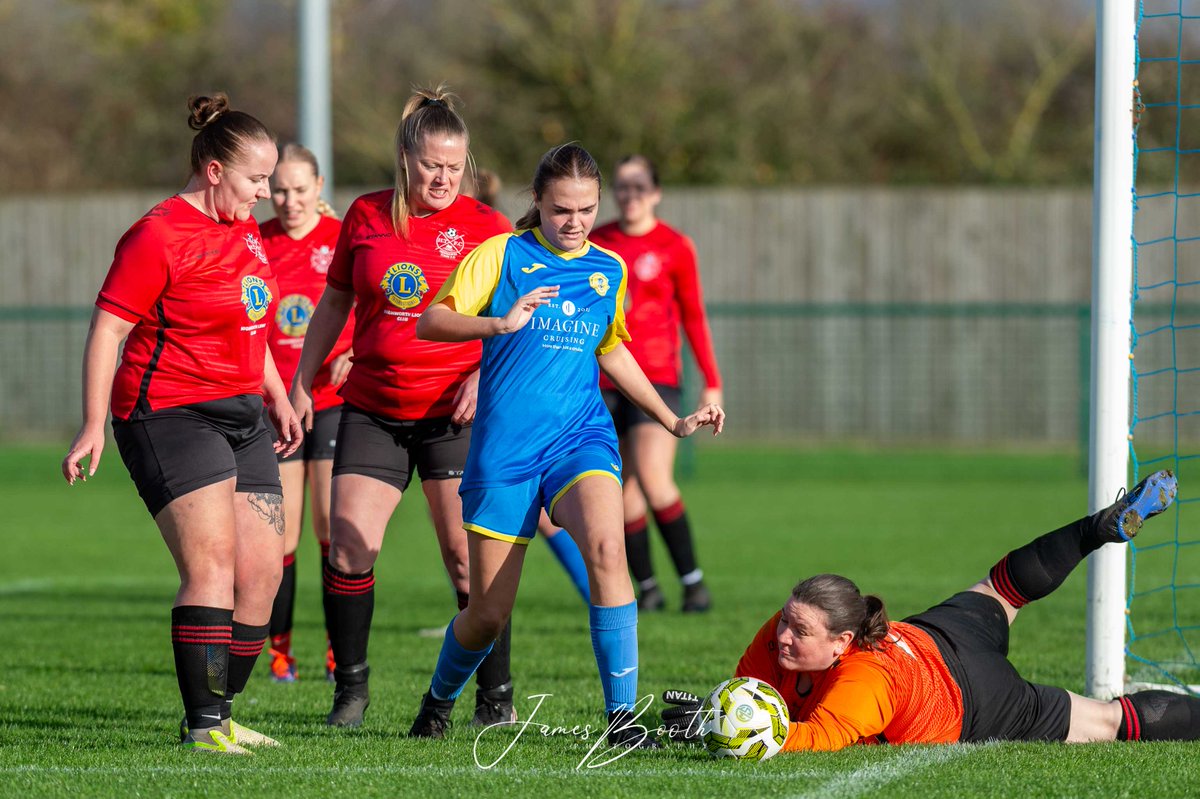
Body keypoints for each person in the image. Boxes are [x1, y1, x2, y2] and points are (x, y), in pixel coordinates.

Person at [405, 142, 725, 747]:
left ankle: (622, 722)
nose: (574, 222)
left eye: (585, 208)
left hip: (581, 439)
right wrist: (498, 323)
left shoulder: (609, 268)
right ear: (537, 203)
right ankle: (438, 701)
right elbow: (431, 321)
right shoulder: (501, 255)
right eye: (560, 210)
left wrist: (669, 419)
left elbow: (612, 347)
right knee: (487, 614)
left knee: (609, 547)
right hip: (505, 453)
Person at [61, 93, 302, 754]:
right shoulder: (157, 234)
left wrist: (276, 393)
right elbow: (109, 327)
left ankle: (220, 710)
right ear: (216, 171)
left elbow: (251, 322)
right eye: (257, 179)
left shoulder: (243, 228)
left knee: (263, 574)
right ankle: (203, 727)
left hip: (244, 415)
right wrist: (89, 423)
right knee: (214, 566)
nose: (267, 191)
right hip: (167, 412)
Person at [659, 470, 1200, 750]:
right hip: (934, 635)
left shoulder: (864, 682)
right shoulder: (779, 635)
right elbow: (751, 692)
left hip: (977, 699)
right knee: (1003, 587)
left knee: (1106, 721)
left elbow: (811, 740)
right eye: (785, 620)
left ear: (842, 643)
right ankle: (1095, 528)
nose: (781, 636)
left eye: (799, 631)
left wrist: (716, 735)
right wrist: (717, 716)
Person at [289, 85, 513, 728]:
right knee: (349, 551)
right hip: (373, 411)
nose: (443, 178)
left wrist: (483, 378)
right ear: (406, 158)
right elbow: (333, 302)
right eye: (430, 164)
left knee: (469, 559)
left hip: (453, 417)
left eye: (454, 166)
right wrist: (305, 380)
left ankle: (493, 699)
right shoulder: (362, 216)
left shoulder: (486, 228)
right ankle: (350, 692)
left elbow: (520, 321)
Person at [590, 155, 723, 614]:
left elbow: (694, 316)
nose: (630, 194)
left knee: (652, 477)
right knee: (620, 487)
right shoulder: (597, 241)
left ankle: (694, 582)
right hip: (604, 380)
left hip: (658, 377)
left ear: (656, 192)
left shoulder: (674, 246)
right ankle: (646, 588)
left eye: (639, 186)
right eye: (622, 186)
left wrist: (713, 382)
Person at [463, 165, 591, 604]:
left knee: (547, 506)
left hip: (492, 396)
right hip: (442, 392)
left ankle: (600, 591)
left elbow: (518, 332)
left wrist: (477, 376)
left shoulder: (497, 240)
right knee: (478, 529)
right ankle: (477, 615)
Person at [260, 143, 353, 683]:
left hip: (335, 404)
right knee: (282, 536)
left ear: (319, 187)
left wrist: (354, 351)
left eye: (299, 188)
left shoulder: (341, 239)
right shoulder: (257, 242)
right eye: (279, 189)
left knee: (330, 531)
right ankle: (280, 653)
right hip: (276, 405)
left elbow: (381, 301)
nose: (288, 199)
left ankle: (340, 653)